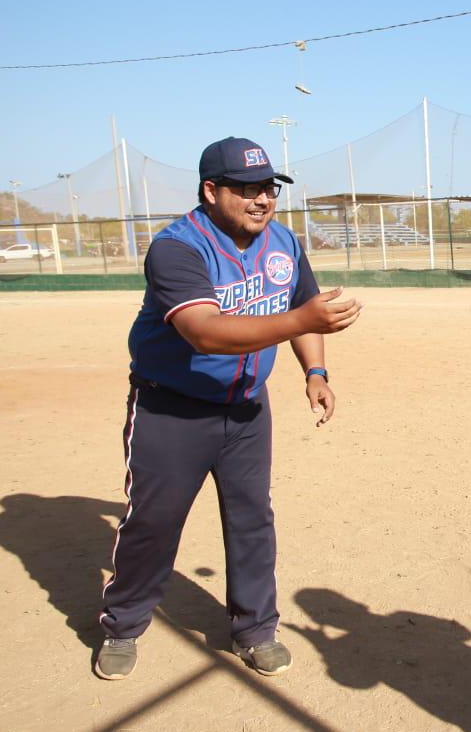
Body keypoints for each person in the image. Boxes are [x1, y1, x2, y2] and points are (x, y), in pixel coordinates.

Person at [95, 137, 363, 681]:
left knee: (252, 519)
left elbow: (300, 306)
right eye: (246, 188)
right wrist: (303, 324)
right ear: (211, 190)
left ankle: (255, 628)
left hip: (245, 410)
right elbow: (205, 334)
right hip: (172, 410)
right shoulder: (178, 248)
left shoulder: (283, 242)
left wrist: (315, 371)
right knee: (155, 520)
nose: (262, 199)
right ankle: (123, 624)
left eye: (268, 187)